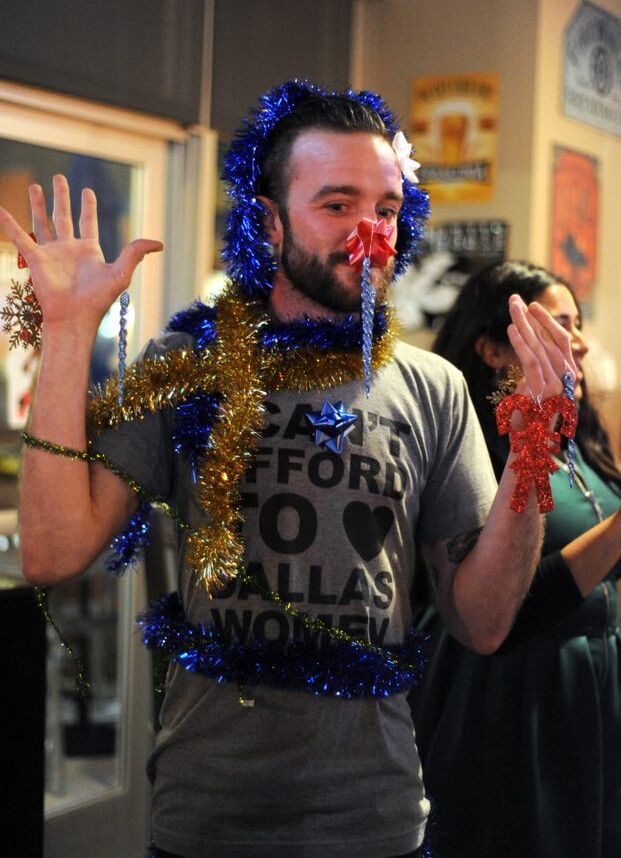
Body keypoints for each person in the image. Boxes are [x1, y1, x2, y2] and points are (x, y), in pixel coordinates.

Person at [0, 84, 576, 858]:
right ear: (268, 221)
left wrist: (531, 459)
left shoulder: (432, 387)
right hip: (206, 815)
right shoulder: (190, 367)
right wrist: (68, 332)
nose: (370, 232)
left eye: (387, 206)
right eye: (336, 205)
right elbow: (52, 551)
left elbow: (483, 620)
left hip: (373, 819)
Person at [410, 260, 621, 858]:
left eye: (576, 324)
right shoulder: (477, 453)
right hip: (511, 702)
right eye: (557, 325)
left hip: (588, 690)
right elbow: (503, 617)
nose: (577, 341)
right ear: (494, 349)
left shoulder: (574, 435)